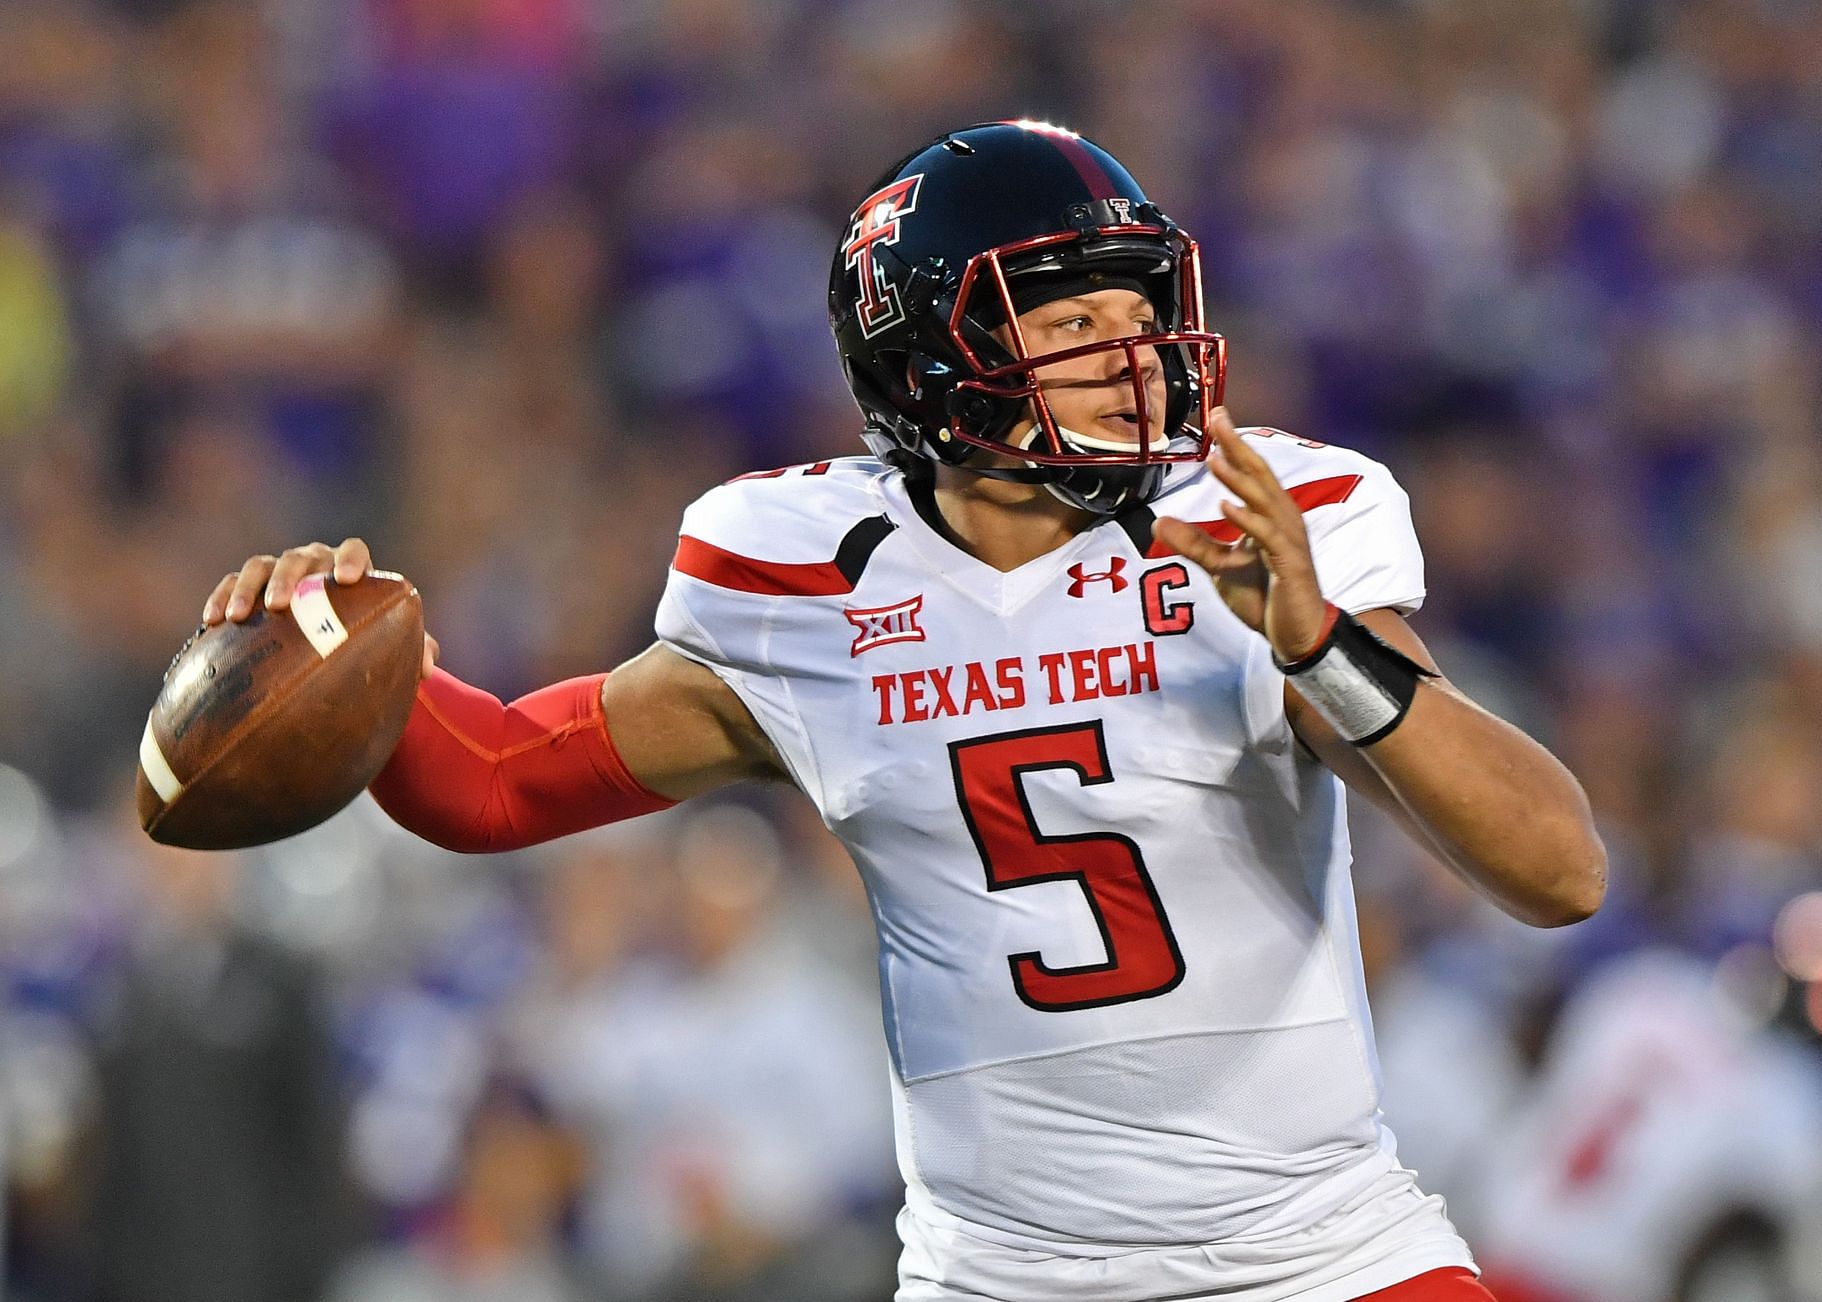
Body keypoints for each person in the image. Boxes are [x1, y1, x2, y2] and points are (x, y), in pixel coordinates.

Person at [201, 121, 1607, 1302]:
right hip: (1001, 1278)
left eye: (1142, 315)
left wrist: (1319, 646)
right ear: (933, 358)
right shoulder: (804, 577)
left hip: (1324, 1257)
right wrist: (340, 644)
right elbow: (495, 780)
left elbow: (1557, 867)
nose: (1137, 359)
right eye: (1075, 322)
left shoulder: (1261, 524)